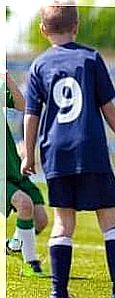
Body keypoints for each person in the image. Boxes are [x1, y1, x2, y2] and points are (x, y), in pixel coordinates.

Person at [21, 3, 115, 298]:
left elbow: (31, 115)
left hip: (55, 152)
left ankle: (58, 295)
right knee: (110, 221)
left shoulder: (39, 65)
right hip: (89, 149)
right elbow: (109, 110)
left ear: (43, 30)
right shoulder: (91, 58)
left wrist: (29, 155)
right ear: (76, 27)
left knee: (63, 224)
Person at [4, 73, 48, 277]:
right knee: (24, 204)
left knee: (41, 220)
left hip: (12, 166)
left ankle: (14, 246)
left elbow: (23, 105)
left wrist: (7, 76)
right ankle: (31, 264)